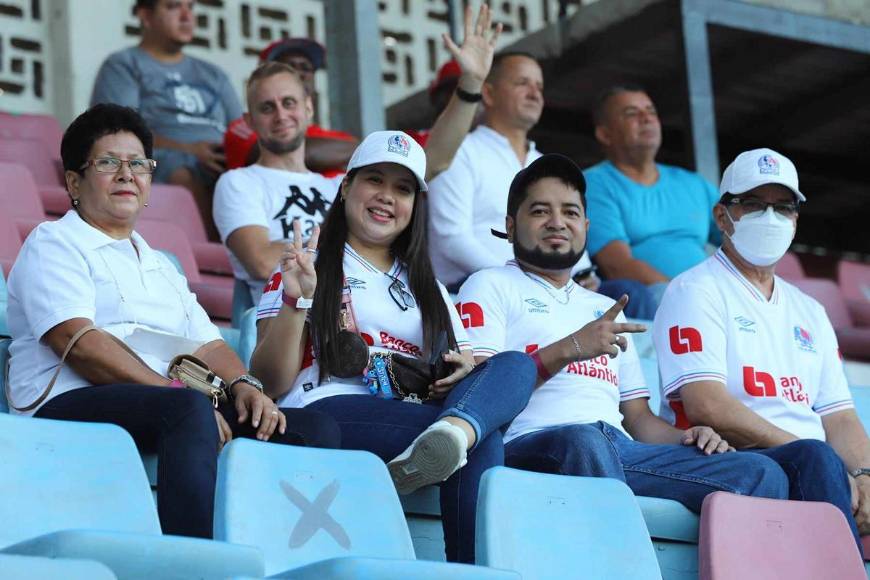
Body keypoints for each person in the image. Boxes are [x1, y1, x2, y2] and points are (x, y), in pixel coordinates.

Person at [4, 103, 340, 540]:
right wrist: (176, 394)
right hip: (66, 406)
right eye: (108, 163)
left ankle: (274, 555)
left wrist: (245, 387)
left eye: (139, 164)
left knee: (313, 427)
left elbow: (207, 345)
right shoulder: (55, 242)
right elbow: (79, 342)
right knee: (186, 409)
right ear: (73, 181)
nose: (127, 174)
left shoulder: (160, 264)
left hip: (164, 406)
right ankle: (193, 561)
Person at [249, 130, 536, 564]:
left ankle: (452, 436)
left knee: (516, 366)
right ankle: (469, 566)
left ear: (415, 206)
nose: (387, 197)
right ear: (346, 187)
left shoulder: (431, 288)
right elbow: (269, 382)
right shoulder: (313, 262)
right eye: (375, 181)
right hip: (330, 407)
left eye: (402, 189)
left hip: (418, 412)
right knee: (483, 439)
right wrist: (297, 299)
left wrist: (462, 368)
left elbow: (465, 365)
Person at [457, 154, 789, 513]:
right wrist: (570, 348)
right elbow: (481, 395)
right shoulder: (489, 284)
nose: (557, 222)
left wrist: (687, 438)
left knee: (760, 471)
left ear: (585, 225)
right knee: (584, 441)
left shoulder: (603, 307)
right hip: (533, 444)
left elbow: (639, 420)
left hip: (619, 449)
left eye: (570, 212)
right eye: (539, 211)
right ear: (509, 225)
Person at [214, 4, 503, 305]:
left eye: (289, 103)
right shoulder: (238, 182)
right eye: (266, 107)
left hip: (369, 310)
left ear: (309, 108)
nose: (281, 115)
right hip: (291, 317)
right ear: (249, 121)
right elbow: (261, 262)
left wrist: (470, 84)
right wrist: (354, 240)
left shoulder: (340, 184)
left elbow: (433, 162)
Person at [654, 148, 867, 552]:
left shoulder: (811, 310)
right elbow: (707, 406)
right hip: (734, 458)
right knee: (818, 460)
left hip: (811, 469)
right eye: (753, 204)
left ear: (795, 220)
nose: (770, 218)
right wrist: (813, 455)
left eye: (782, 207)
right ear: (722, 217)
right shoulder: (696, 289)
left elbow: (840, 416)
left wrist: (864, 474)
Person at [428, 53, 654, 318]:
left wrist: (583, 274)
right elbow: (451, 239)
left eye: (539, 87)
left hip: (554, 283)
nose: (534, 93)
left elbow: (571, 226)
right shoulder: (460, 152)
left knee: (631, 294)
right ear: (488, 93)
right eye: (522, 83)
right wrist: (522, 277)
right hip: (477, 283)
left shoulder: (545, 162)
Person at [91, 0, 242, 239]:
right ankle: (212, 254)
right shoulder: (124, 65)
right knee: (181, 171)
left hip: (218, 159)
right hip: (161, 158)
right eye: (173, 7)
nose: (186, 16)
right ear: (146, 15)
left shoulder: (214, 74)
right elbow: (116, 132)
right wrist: (190, 150)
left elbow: (241, 130)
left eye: (190, 8)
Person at [584, 85, 720, 306]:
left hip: (708, 297)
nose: (646, 118)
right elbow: (617, 266)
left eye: (651, 111)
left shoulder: (692, 183)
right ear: (605, 134)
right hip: (653, 300)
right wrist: (687, 297)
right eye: (631, 113)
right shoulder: (594, 183)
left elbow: (740, 241)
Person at [223, 37, 358, 177]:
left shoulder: (340, 137)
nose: (300, 74)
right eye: (289, 67)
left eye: (306, 68)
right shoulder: (243, 126)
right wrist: (365, 150)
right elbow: (291, 152)